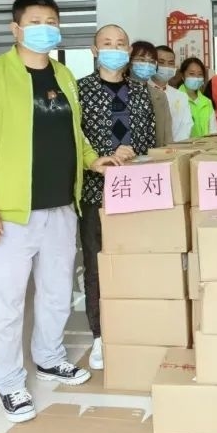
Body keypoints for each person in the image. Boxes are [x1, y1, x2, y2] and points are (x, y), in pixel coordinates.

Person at [0, 0, 120, 424]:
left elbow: (73, 133)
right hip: (11, 213)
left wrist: (92, 160)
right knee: (7, 304)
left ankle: (49, 357)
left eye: (51, 21)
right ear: (16, 29)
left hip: (61, 206)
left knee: (56, 293)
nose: (44, 28)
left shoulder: (63, 75)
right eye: (35, 21)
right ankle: (10, 382)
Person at [77, 24, 158, 372]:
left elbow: (151, 141)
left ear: (128, 51)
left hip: (137, 192)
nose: (114, 48)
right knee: (97, 265)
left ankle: (135, 326)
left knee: (136, 261)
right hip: (95, 192)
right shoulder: (79, 90)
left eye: (120, 43)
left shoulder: (141, 91)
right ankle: (101, 334)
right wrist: (100, 158)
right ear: (95, 51)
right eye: (107, 43)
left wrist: (133, 154)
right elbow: (75, 140)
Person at [131, 41, 192, 143]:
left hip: (176, 147)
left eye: (171, 63)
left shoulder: (181, 96)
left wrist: (175, 146)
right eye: (161, 62)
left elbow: (185, 126)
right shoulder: (142, 90)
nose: (166, 66)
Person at [179, 56, 217, 137]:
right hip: (183, 144)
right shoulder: (175, 99)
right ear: (182, 76)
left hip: (206, 144)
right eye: (192, 74)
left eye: (200, 74)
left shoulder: (207, 102)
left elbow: (214, 130)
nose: (196, 78)